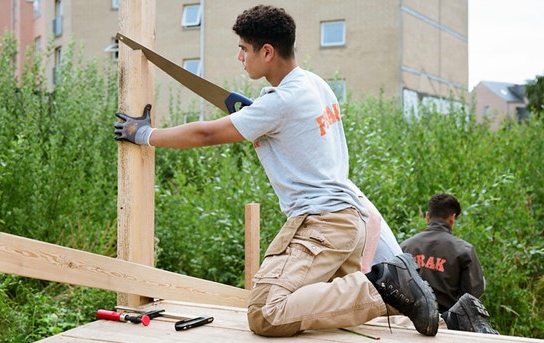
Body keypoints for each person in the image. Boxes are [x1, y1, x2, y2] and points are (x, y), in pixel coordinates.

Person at [114, 5, 438, 337]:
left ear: (267, 52)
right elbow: (298, 135)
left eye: (244, 48)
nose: (240, 56)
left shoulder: (281, 102)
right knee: (341, 311)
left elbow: (207, 133)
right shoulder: (315, 84)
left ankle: (386, 286)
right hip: (347, 219)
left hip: (323, 223)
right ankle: (453, 319)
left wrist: (143, 134)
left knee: (267, 312)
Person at [401, 193, 498, 334]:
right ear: (452, 218)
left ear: (427, 216)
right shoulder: (464, 251)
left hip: (407, 324)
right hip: (446, 327)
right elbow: (472, 296)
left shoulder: (405, 246)